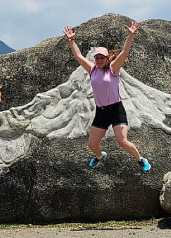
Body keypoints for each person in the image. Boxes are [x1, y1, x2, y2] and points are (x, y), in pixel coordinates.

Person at [62, 21, 151, 172]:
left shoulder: (113, 69)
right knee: (92, 144)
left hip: (116, 109)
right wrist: (71, 40)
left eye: (101, 57)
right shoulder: (92, 69)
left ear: (107, 58)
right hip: (101, 111)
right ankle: (99, 156)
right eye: (96, 57)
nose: (99, 60)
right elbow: (78, 55)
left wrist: (131, 35)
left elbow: (125, 52)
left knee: (122, 141)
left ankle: (140, 159)